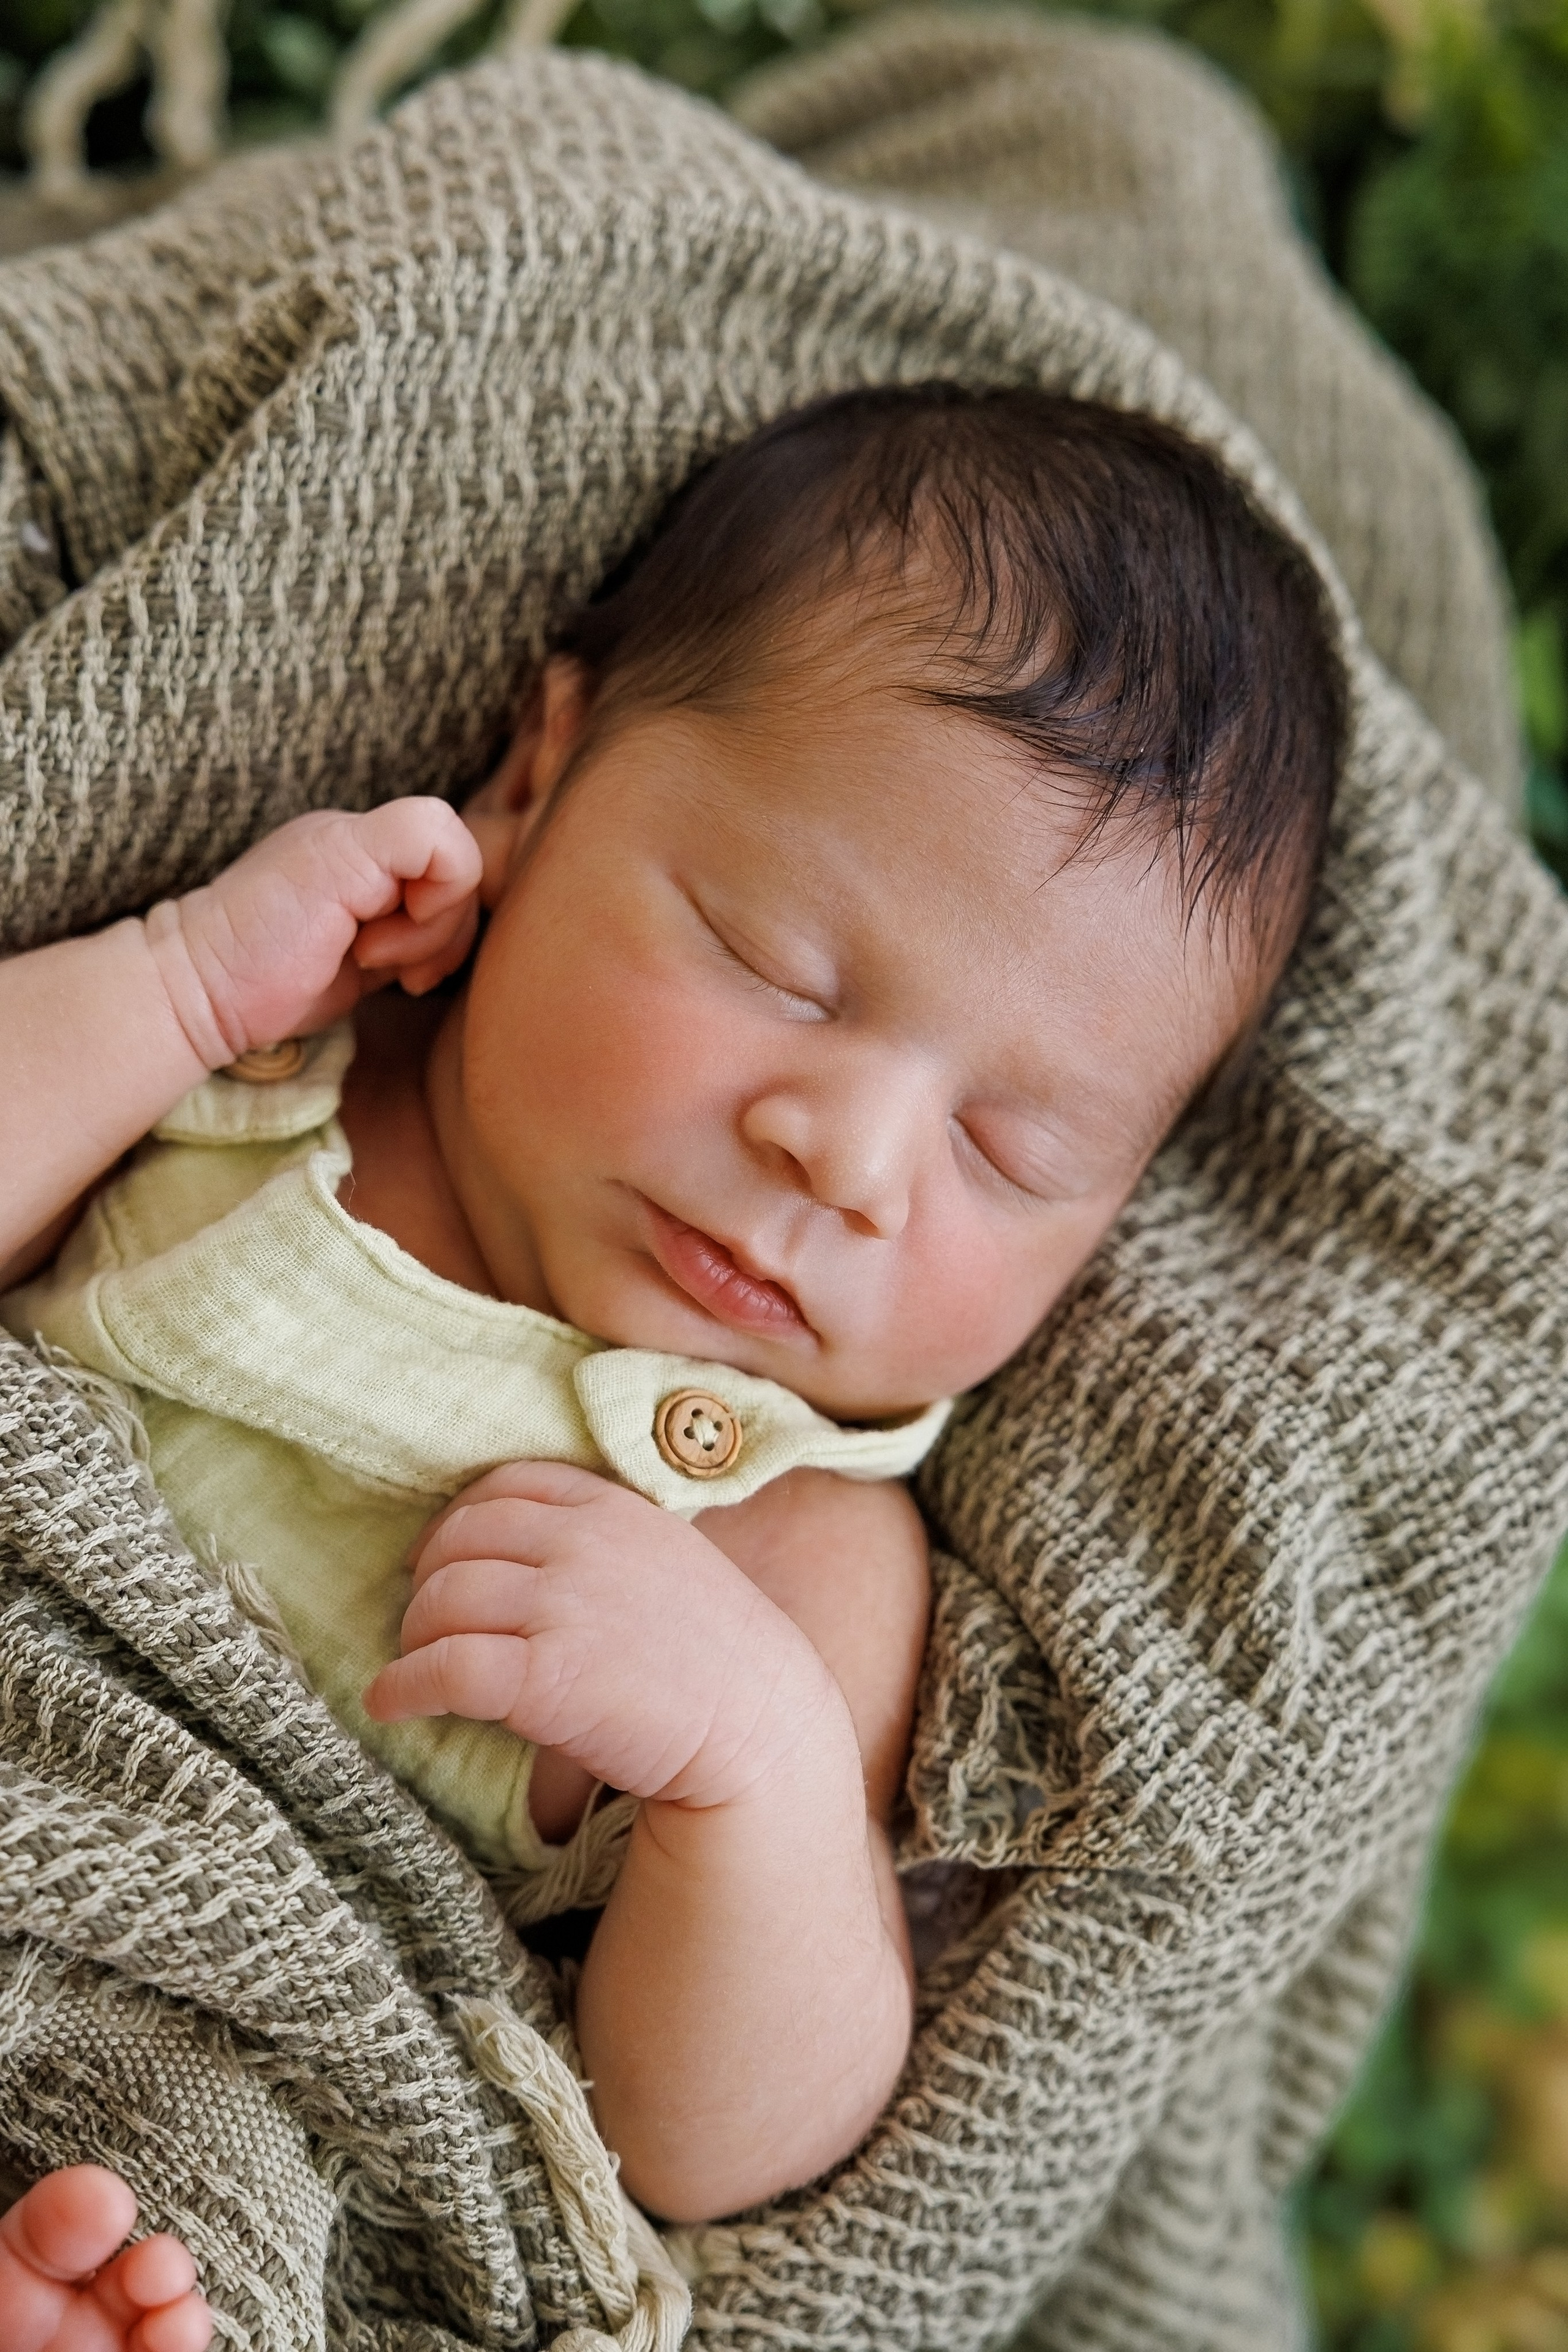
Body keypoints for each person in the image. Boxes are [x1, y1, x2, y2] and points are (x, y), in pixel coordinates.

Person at [0, 383, 1344, 2352]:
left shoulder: (791, 1546)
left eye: (1010, 1153)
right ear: (541, 777)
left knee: (202, 2206)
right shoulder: (280, 1069)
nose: (852, 1159)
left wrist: (760, 1781)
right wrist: (181, 978)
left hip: (222, 2043)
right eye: (777, 964)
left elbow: (709, 2150)